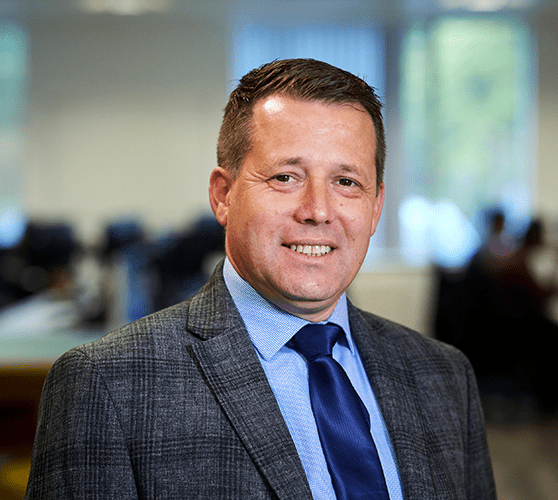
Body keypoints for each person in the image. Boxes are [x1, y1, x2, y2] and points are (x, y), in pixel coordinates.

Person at [25, 59, 496, 499]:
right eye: (286, 177)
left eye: (347, 182)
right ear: (223, 195)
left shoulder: (444, 374)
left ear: (375, 206)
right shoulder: (107, 384)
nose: (317, 210)